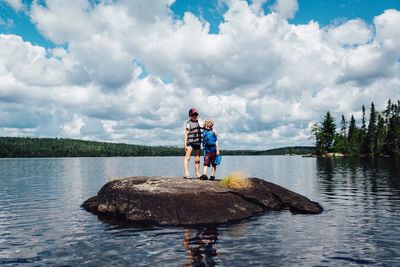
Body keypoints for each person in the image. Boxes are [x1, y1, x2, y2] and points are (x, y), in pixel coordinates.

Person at [184, 108, 202, 178]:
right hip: (190, 143)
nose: (194, 116)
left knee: (197, 159)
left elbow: (207, 127)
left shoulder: (199, 123)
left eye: (196, 114)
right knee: (187, 157)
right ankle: (187, 173)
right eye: (193, 114)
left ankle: (197, 174)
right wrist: (185, 143)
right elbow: (186, 133)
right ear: (190, 115)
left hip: (197, 143)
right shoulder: (189, 123)